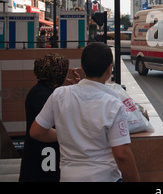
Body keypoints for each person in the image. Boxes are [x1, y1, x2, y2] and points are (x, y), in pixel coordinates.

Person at [30, 42, 140, 182]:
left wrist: (68, 133)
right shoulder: (113, 104)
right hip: (104, 177)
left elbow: (36, 132)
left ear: (82, 67)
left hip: (68, 177)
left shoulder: (59, 95)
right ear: (109, 69)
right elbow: (122, 154)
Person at [19, 53, 71, 182]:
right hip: (43, 159)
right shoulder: (43, 95)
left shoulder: (41, 90)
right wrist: (71, 134)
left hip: (43, 157)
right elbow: (44, 129)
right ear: (57, 74)